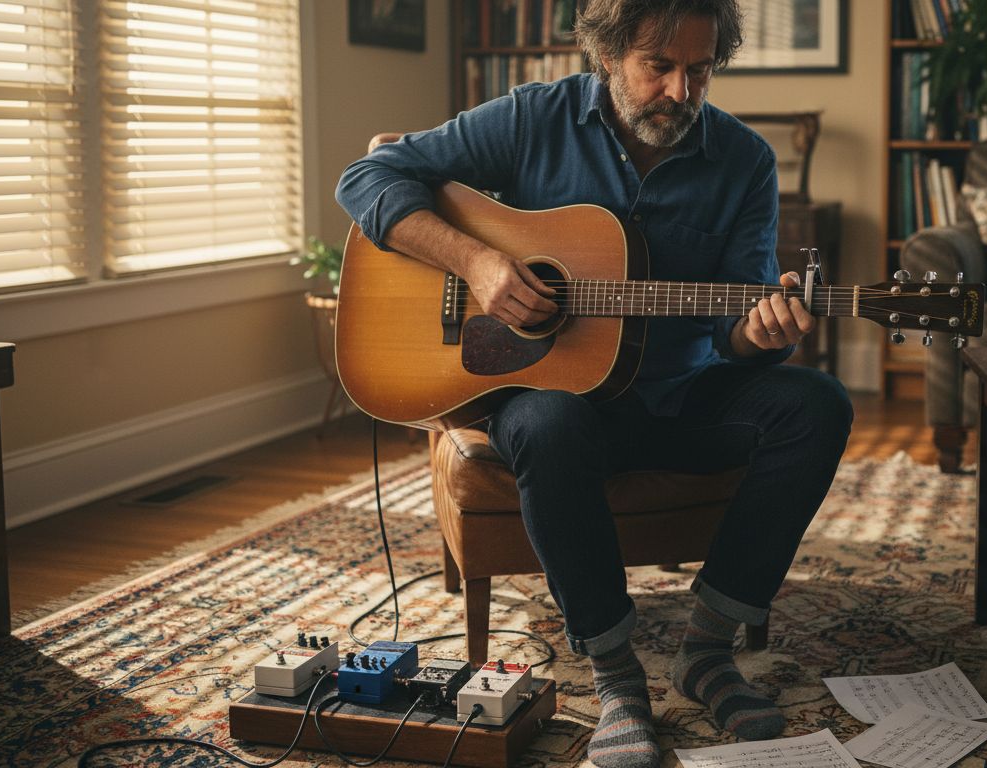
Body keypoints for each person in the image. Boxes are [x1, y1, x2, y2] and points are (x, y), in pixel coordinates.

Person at [336, 1, 852, 764]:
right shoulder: (528, 119)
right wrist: (475, 262)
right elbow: (367, 176)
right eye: (660, 67)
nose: (682, 91)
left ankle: (705, 653)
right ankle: (616, 678)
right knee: (550, 424)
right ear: (608, 56)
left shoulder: (744, 160)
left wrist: (757, 332)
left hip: (678, 395)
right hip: (552, 399)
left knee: (818, 405)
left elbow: (733, 324)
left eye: (700, 70)